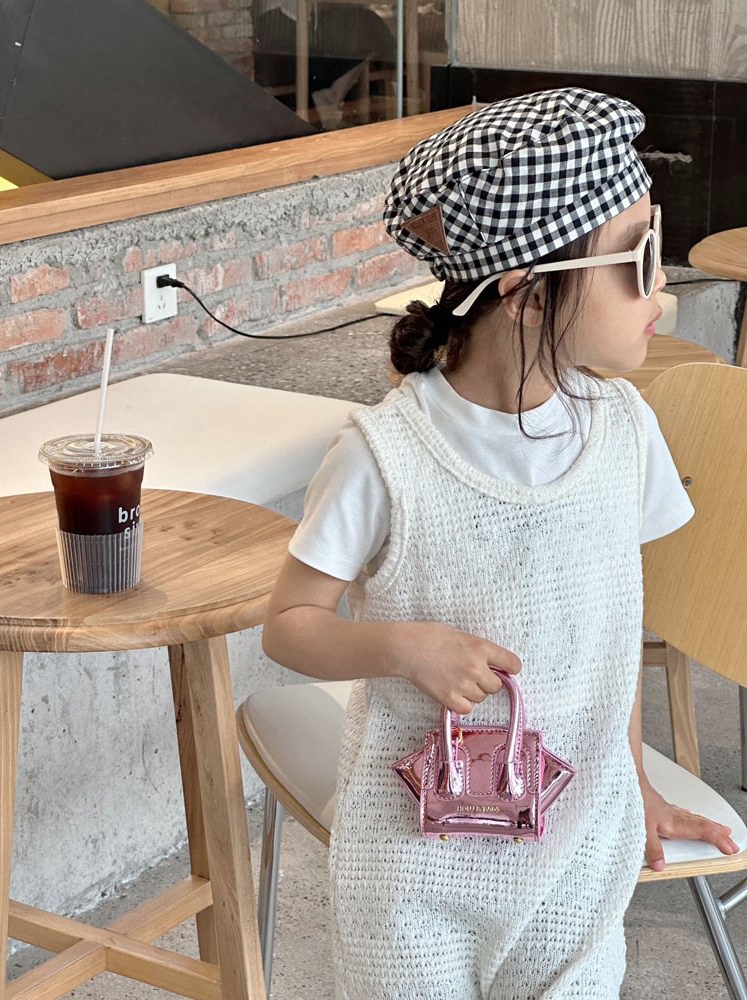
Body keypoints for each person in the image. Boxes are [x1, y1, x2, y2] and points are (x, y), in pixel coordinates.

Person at [261, 87, 741, 1000]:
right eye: (638, 259)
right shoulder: (387, 454)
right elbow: (289, 625)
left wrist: (633, 787)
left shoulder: (624, 432)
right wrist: (402, 647)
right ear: (525, 293)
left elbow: (609, 643)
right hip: (413, 868)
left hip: (576, 861)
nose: (663, 288)